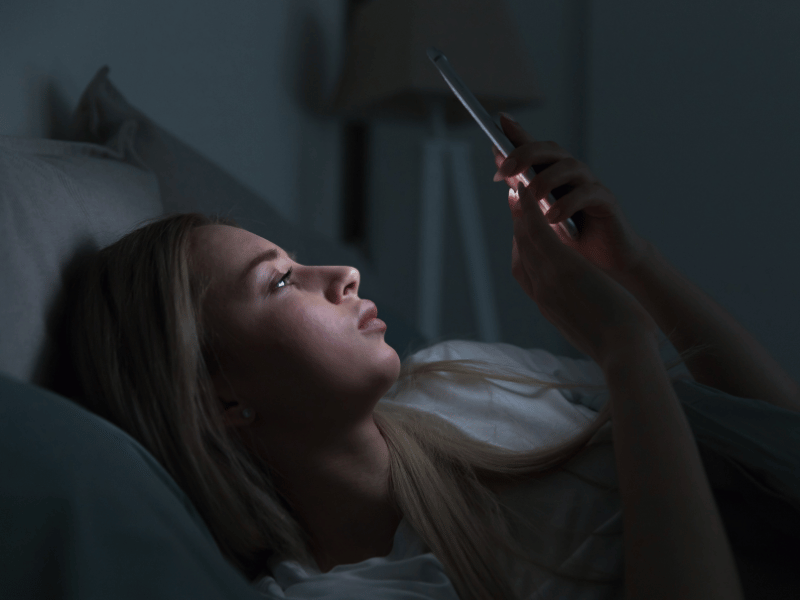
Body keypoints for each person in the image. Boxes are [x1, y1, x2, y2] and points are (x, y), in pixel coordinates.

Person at [62, 113, 771, 600]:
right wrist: (624, 348)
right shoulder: (349, 592)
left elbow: (776, 437)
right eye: (279, 282)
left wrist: (635, 264)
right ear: (219, 399)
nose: (343, 277)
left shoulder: (459, 376)